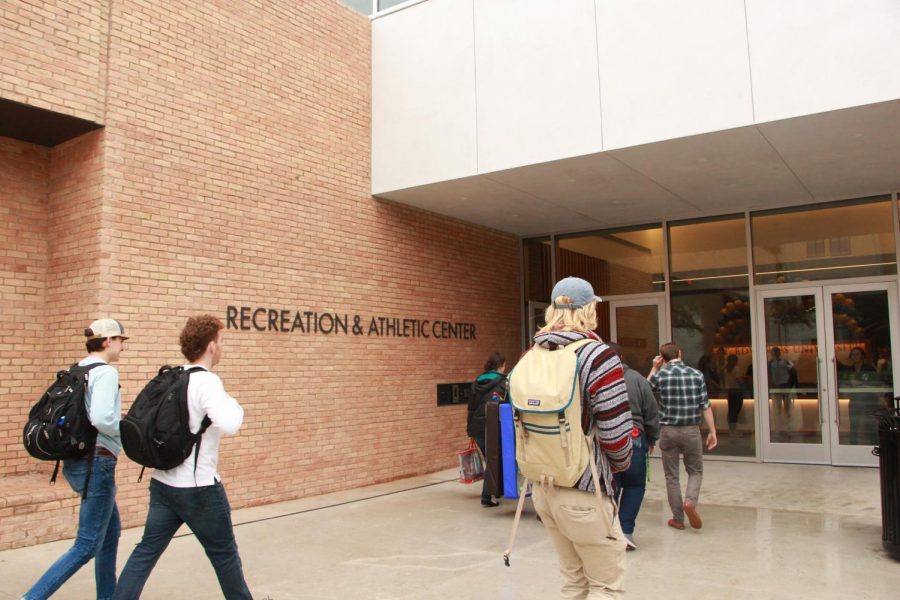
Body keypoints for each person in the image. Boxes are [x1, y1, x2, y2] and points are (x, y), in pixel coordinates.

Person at [114, 315, 252, 599]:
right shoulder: (207, 382)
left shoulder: (173, 376)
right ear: (211, 346)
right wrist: (235, 403)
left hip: (163, 484)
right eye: (221, 341)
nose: (222, 347)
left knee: (146, 551)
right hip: (199, 489)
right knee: (224, 555)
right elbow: (230, 423)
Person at [528, 277, 632, 599]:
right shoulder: (598, 356)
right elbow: (616, 435)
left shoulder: (532, 353)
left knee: (573, 582)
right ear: (588, 309)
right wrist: (622, 466)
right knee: (605, 586)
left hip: (543, 488)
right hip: (586, 491)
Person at [23, 319, 128, 600]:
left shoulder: (78, 369)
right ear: (107, 341)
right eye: (120, 341)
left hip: (77, 461)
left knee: (110, 534)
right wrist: (125, 430)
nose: (122, 347)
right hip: (98, 463)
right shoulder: (105, 372)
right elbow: (102, 417)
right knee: (87, 545)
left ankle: (108, 596)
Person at [647, 342, 717, 531]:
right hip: (691, 430)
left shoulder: (661, 374)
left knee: (672, 476)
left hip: (668, 430)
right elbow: (705, 405)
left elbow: (645, 390)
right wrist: (713, 431)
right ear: (680, 353)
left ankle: (678, 518)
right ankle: (690, 502)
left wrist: (654, 367)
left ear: (663, 357)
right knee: (695, 471)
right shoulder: (696, 374)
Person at [608, 343, 659, 551]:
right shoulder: (638, 379)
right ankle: (626, 531)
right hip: (635, 437)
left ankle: (609, 530)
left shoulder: (596, 380)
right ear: (622, 357)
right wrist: (652, 439)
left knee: (611, 487)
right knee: (635, 484)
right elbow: (652, 412)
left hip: (606, 439)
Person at [467, 352, 507, 507]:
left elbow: (471, 408)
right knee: (493, 460)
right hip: (493, 426)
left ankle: (496, 490)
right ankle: (487, 496)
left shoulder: (477, 382)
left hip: (476, 428)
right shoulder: (503, 383)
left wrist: (469, 429)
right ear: (501, 366)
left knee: (491, 459)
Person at [840, 347, 879, 445]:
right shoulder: (850, 370)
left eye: (857, 354)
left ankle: (874, 445)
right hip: (855, 400)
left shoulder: (869, 369)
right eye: (853, 354)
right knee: (854, 424)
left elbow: (876, 383)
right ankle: (853, 446)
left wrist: (860, 383)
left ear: (862, 356)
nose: (855, 356)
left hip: (869, 401)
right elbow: (845, 383)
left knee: (870, 424)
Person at [767, 347, 796, 433]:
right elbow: (768, 375)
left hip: (785, 386)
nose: (775, 354)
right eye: (773, 352)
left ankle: (789, 428)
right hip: (776, 386)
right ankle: (778, 428)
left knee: (787, 408)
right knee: (777, 408)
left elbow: (793, 371)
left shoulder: (785, 362)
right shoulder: (770, 363)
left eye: (776, 352)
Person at [721, 354, 744, 436]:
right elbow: (739, 380)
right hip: (737, 391)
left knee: (731, 411)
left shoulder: (725, 370)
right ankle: (733, 431)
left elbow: (724, 382)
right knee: (736, 410)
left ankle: (731, 430)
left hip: (730, 391)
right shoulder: (736, 369)